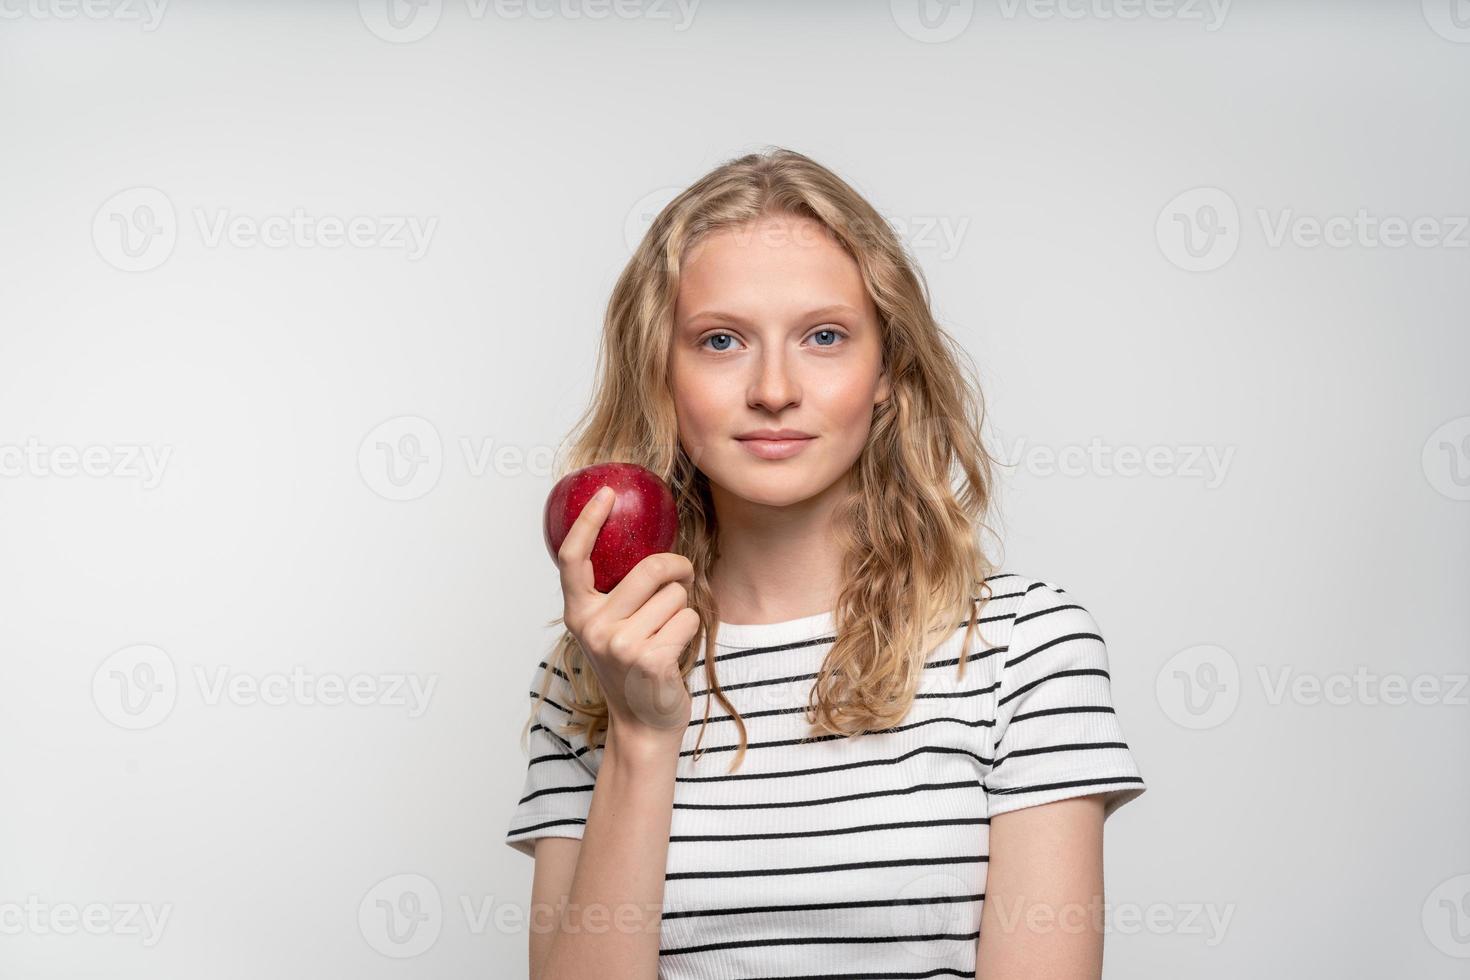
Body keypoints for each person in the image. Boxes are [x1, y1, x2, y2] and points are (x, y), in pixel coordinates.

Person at [504, 147, 1147, 980]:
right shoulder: (593, 670)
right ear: (662, 375)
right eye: (722, 340)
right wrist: (639, 733)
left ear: (887, 372)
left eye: (825, 336)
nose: (775, 388)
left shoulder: (1028, 648)